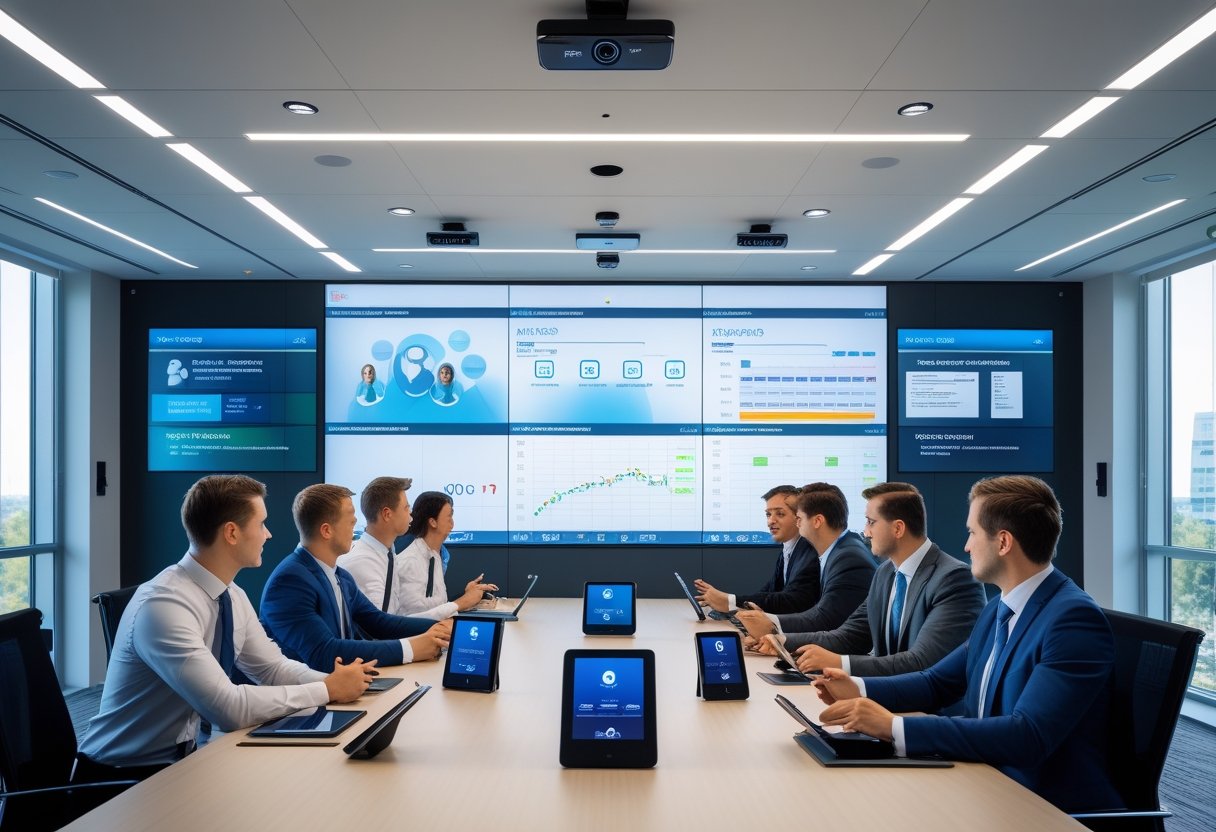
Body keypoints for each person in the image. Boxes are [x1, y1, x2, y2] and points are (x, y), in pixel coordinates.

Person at [815, 475, 1120, 812]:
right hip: (983, 781)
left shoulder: (1072, 621)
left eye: (973, 532)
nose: (966, 546)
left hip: (1040, 805)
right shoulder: (998, 609)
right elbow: (936, 683)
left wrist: (893, 726)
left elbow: (1028, 736)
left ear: (1003, 542)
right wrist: (857, 689)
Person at [74, 475, 376, 782]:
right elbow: (227, 708)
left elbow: (272, 669)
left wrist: (337, 682)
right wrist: (326, 689)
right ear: (231, 532)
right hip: (117, 781)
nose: (268, 535)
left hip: (180, 764)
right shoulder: (164, 607)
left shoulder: (230, 594)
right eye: (261, 524)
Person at [764, 482, 984, 677]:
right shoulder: (886, 572)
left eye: (871, 522)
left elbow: (922, 662)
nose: (866, 532)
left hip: (929, 714)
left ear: (898, 528)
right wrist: (782, 641)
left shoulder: (954, 579)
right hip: (887, 700)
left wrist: (840, 663)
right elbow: (850, 635)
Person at [260, 483, 451, 671]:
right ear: (327, 530)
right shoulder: (290, 581)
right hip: (306, 698)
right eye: (351, 522)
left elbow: (379, 622)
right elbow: (324, 652)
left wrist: (441, 628)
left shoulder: (340, 576)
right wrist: (411, 649)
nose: (355, 529)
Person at [736, 483, 875, 637]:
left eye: (799, 518)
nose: (797, 523)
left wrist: (770, 622)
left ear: (817, 521)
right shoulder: (839, 550)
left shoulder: (849, 559)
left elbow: (826, 619)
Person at [693, 485, 821, 615]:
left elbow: (793, 601)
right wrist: (732, 606)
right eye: (768, 514)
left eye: (780, 514)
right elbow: (769, 592)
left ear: (799, 517)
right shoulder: (788, 549)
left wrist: (729, 601)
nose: (770, 521)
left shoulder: (810, 553)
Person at [396, 491, 497, 619]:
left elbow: (435, 606)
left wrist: (467, 595)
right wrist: (462, 602)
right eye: (449, 517)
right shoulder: (410, 561)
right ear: (433, 522)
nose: (452, 524)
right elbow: (409, 620)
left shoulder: (438, 554)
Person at [336, 475, 413, 614]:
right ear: (387, 514)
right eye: (406, 507)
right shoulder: (363, 563)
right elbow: (378, 628)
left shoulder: (386, 552)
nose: (410, 512)